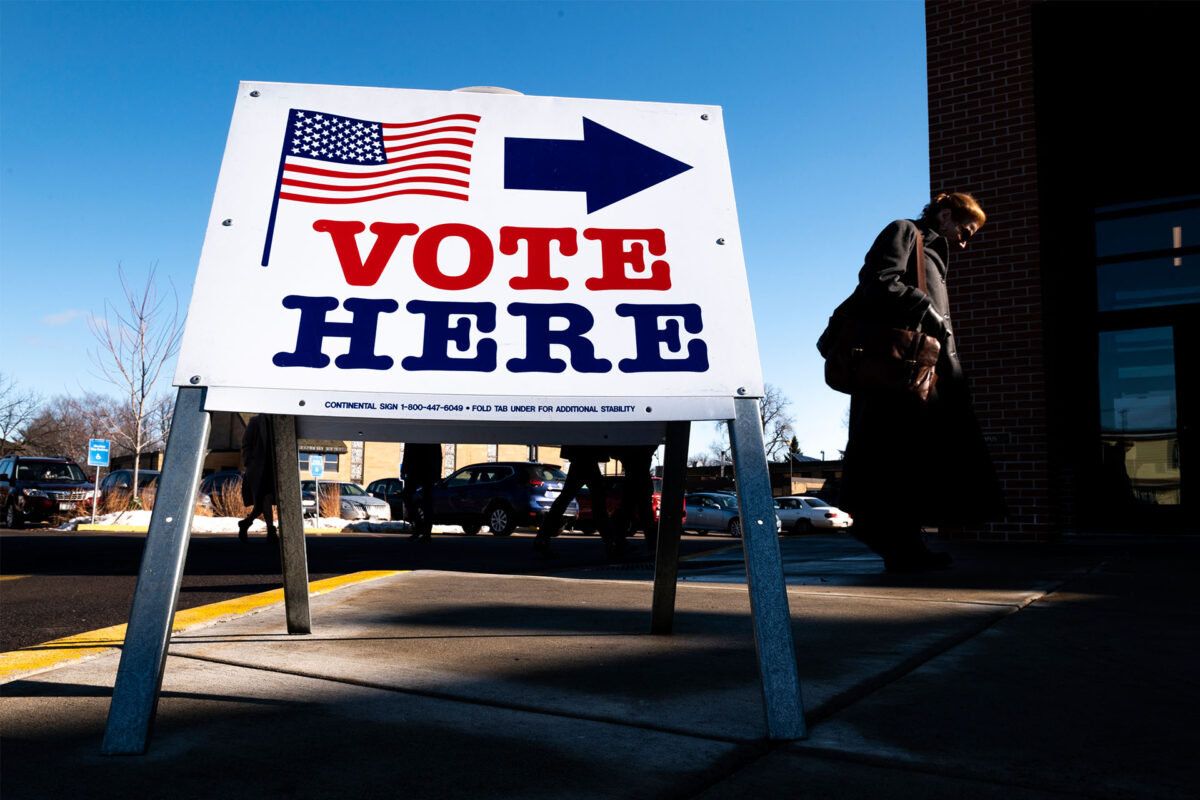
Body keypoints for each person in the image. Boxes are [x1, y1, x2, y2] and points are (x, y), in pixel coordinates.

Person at [837, 192, 1005, 572]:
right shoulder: (904, 232)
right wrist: (924, 307)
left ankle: (905, 546)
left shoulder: (934, 255)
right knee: (893, 459)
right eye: (964, 230)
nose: (965, 241)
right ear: (945, 215)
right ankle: (893, 541)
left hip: (925, 377)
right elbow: (877, 280)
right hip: (897, 375)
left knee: (912, 463)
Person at [534, 445, 625, 560]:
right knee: (598, 504)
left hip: (579, 459)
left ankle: (542, 538)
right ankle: (611, 544)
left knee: (565, 499)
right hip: (589, 460)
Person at [238, 414, 277, 543]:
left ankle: (246, 523)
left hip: (274, 468)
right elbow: (246, 443)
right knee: (265, 498)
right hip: (259, 468)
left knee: (261, 505)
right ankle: (271, 531)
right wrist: (249, 461)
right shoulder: (255, 422)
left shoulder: (280, 422)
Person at [401, 443, 442, 542]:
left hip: (420, 470)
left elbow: (408, 450)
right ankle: (423, 529)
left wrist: (404, 469)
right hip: (420, 470)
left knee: (425, 501)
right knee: (419, 499)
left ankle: (424, 531)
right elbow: (439, 455)